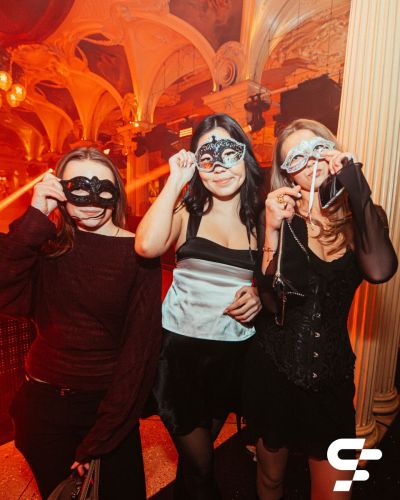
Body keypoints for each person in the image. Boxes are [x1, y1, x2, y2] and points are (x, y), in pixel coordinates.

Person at [243, 119, 398, 500]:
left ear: (333, 151)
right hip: (276, 370)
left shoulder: (363, 217)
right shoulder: (281, 216)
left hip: (331, 379)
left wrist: (355, 183)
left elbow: (380, 271)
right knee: (270, 479)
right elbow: (270, 303)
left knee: (336, 494)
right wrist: (271, 231)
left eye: (317, 148)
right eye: (296, 157)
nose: (310, 160)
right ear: (286, 174)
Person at [0, 147, 161, 499]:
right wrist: (36, 214)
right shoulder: (46, 246)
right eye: (79, 187)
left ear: (116, 193)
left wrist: (104, 434)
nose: (91, 200)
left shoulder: (139, 252)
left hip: (106, 405)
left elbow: (140, 351)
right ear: (60, 189)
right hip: (42, 405)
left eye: (102, 188)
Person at [135, 113, 264, 499]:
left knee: (196, 465)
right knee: (202, 464)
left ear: (245, 157)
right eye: (207, 157)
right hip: (181, 361)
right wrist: (176, 179)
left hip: (233, 357)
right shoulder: (186, 213)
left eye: (229, 153)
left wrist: (259, 294)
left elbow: (276, 280)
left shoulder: (260, 220)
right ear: (196, 164)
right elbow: (146, 246)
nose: (219, 166)